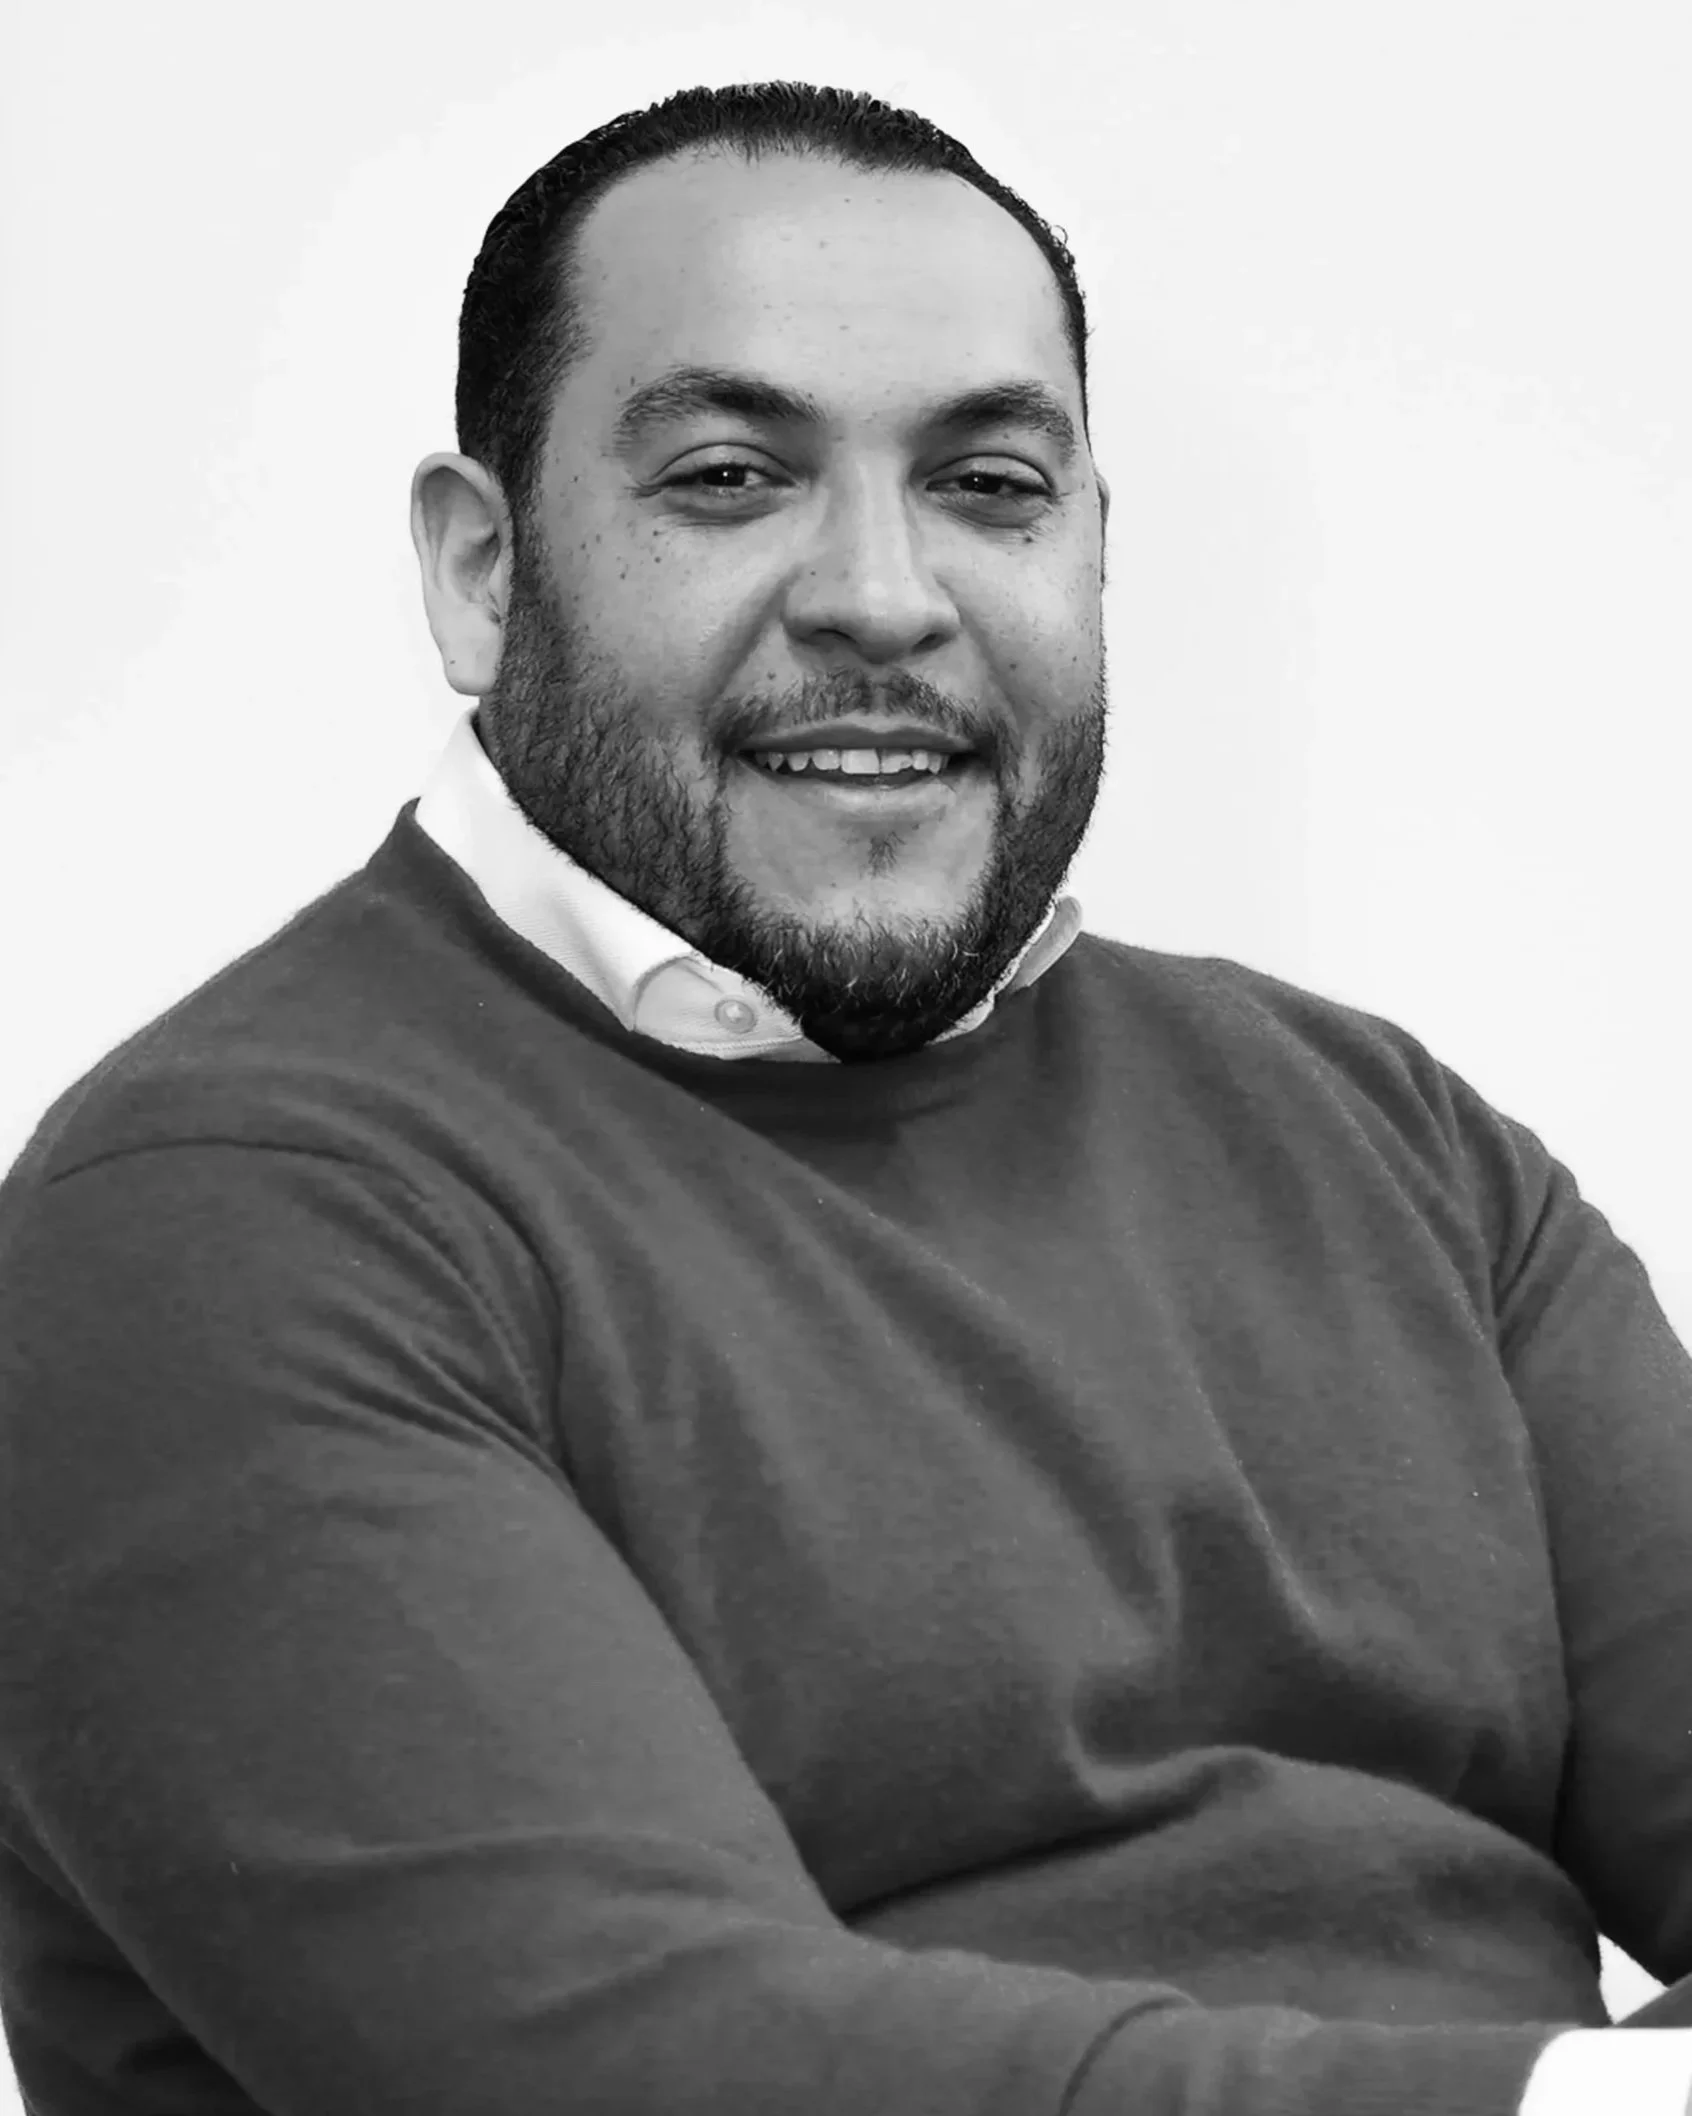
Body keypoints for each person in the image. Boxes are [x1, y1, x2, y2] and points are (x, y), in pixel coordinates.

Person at [0, 77, 1688, 2116]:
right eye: (731, 477)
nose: (885, 595)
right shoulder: (207, 1225)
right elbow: (659, 2071)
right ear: (479, 568)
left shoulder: (1378, 1137)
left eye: (990, 485)